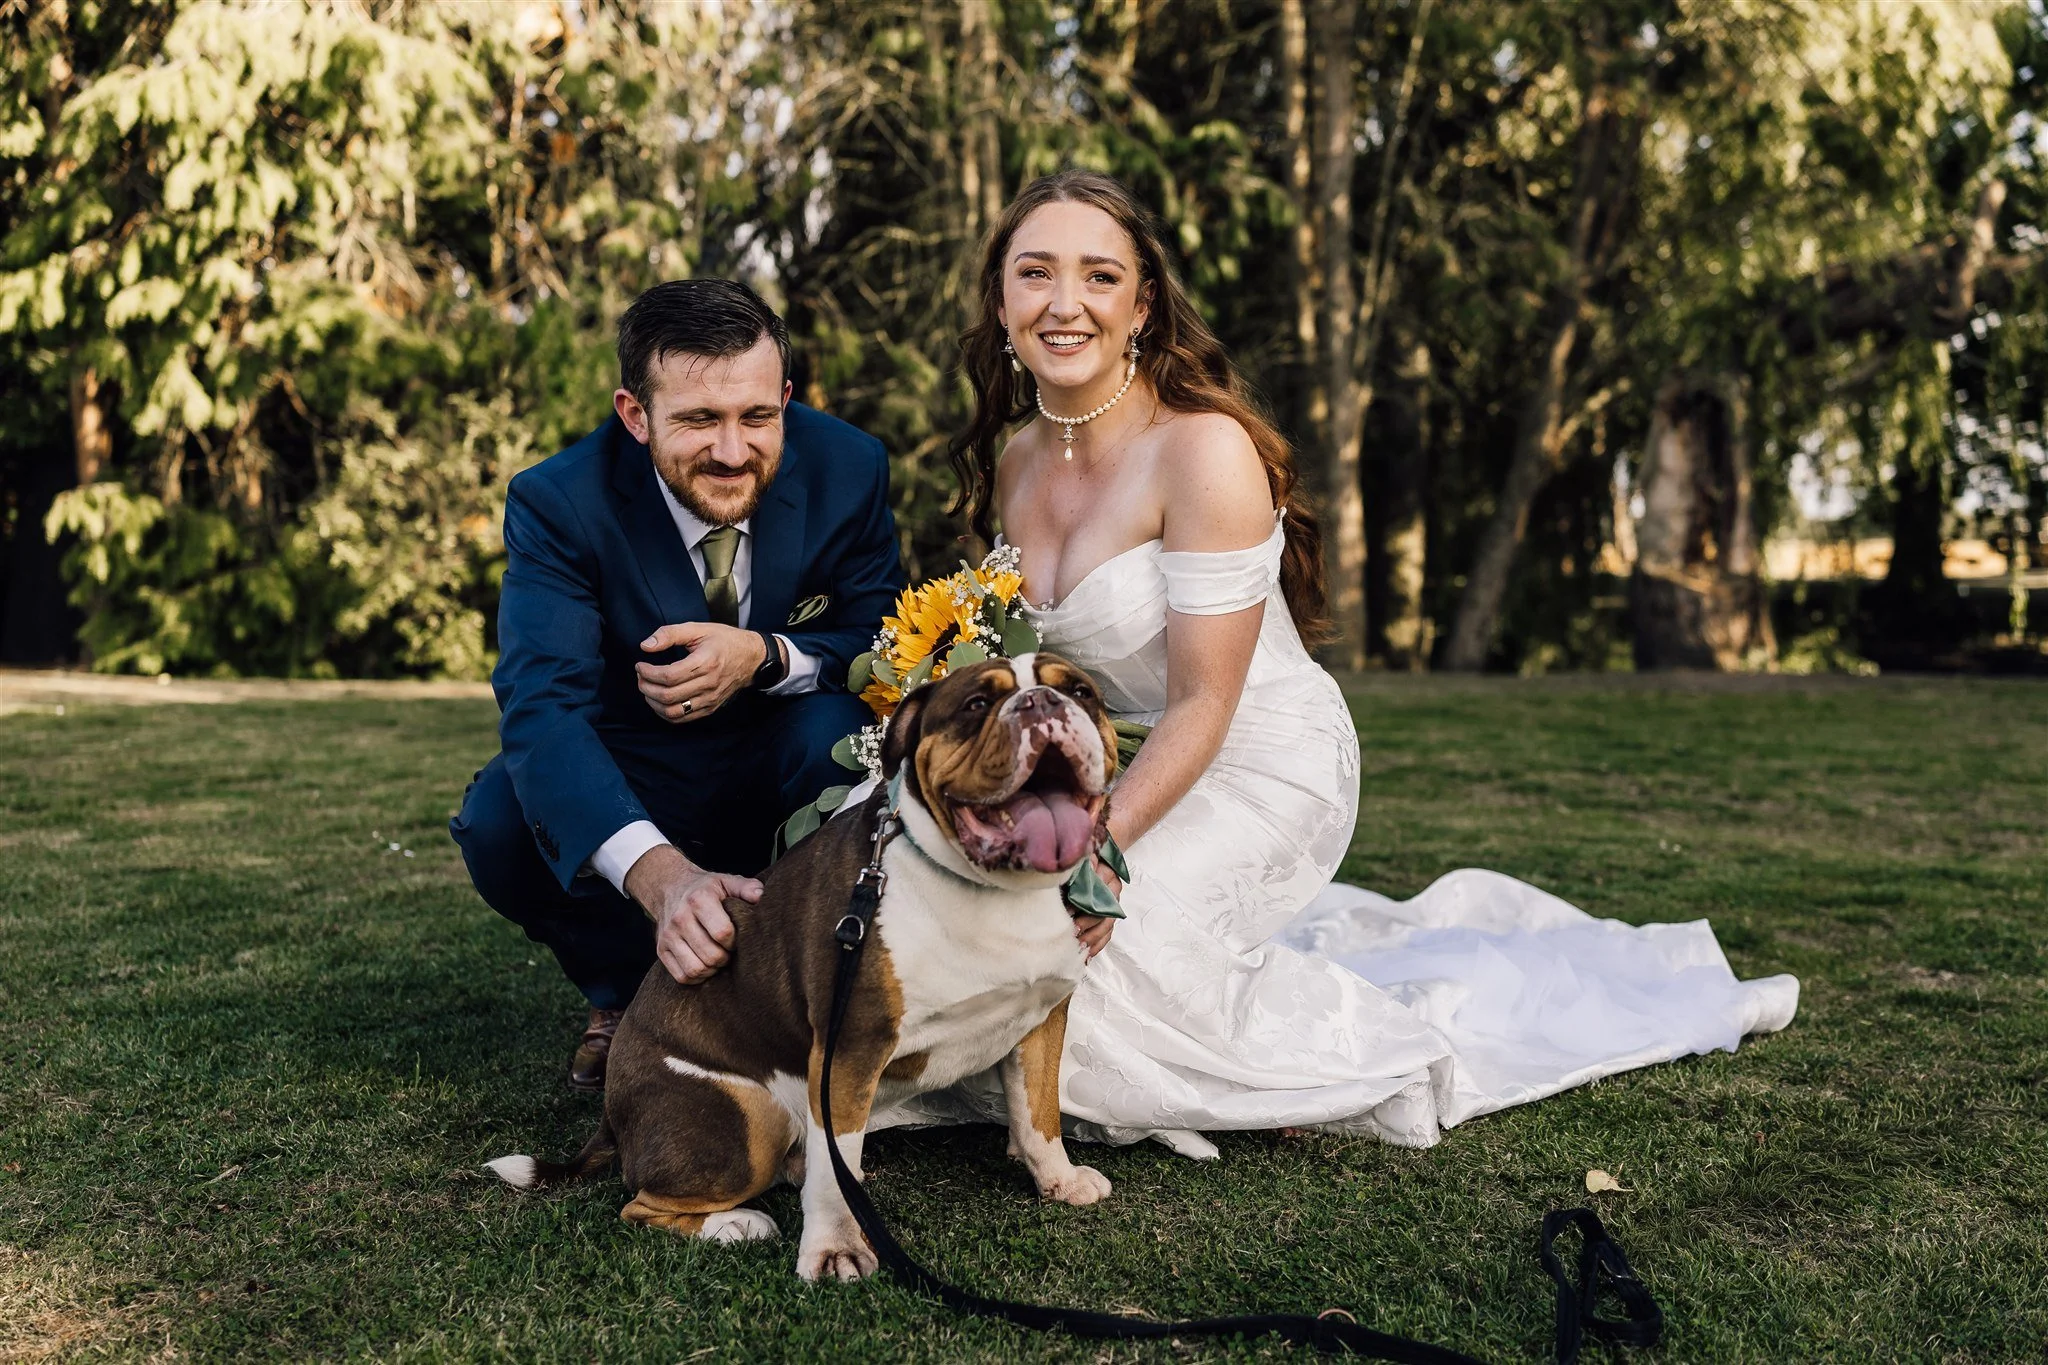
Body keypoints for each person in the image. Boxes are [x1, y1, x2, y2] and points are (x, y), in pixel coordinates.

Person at [873, 170, 1799, 1154]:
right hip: (1125, 759)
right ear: (1000, 299)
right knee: (961, 920)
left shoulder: (1202, 452)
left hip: (1257, 757)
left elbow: (1204, 703)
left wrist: (1097, 848)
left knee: (1076, 962)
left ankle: (1330, 1043)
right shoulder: (1014, 459)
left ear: (1141, 305)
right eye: (1035, 274)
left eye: (1099, 276)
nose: (1065, 305)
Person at [450, 280, 904, 1092]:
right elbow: (542, 707)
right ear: (635, 415)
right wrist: (661, 878)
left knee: (834, 734)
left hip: (786, 755)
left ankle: (804, 997)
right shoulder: (557, 501)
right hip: (638, 772)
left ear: (786, 400)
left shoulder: (852, 467)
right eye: (698, 420)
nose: (733, 451)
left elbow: (882, 643)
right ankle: (623, 993)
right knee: (499, 824)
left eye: (757, 418)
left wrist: (764, 655)